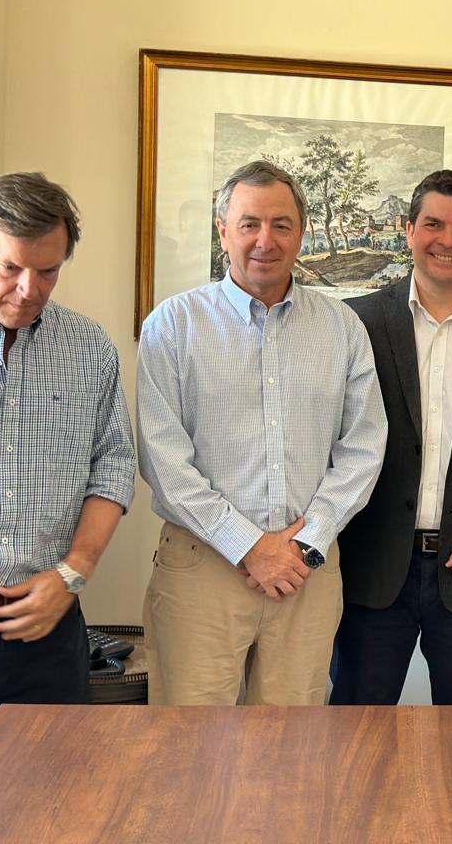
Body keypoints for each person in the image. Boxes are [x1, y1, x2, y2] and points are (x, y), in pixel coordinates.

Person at [138, 159, 386, 706]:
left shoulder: (342, 328)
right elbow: (162, 461)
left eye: (281, 224)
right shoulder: (172, 325)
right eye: (249, 223)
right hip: (202, 566)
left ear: (302, 233)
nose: (264, 240)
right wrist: (248, 546)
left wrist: (307, 542)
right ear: (223, 231)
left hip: (306, 570)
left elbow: (364, 448)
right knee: (190, 741)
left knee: (293, 745)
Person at [0, 173, 135, 791]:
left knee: (46, 809)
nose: (28, 289)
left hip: (47, 627)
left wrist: (74, 573)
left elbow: (112, 466)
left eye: (48, 271)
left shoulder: (88, 346)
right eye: (11, 268)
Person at [330, 170, 452, 705]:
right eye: (434, 224)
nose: (448, 240)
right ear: (409, 231)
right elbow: (328, 442)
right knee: (355, 733)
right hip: (371, 566)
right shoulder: (355, 323)